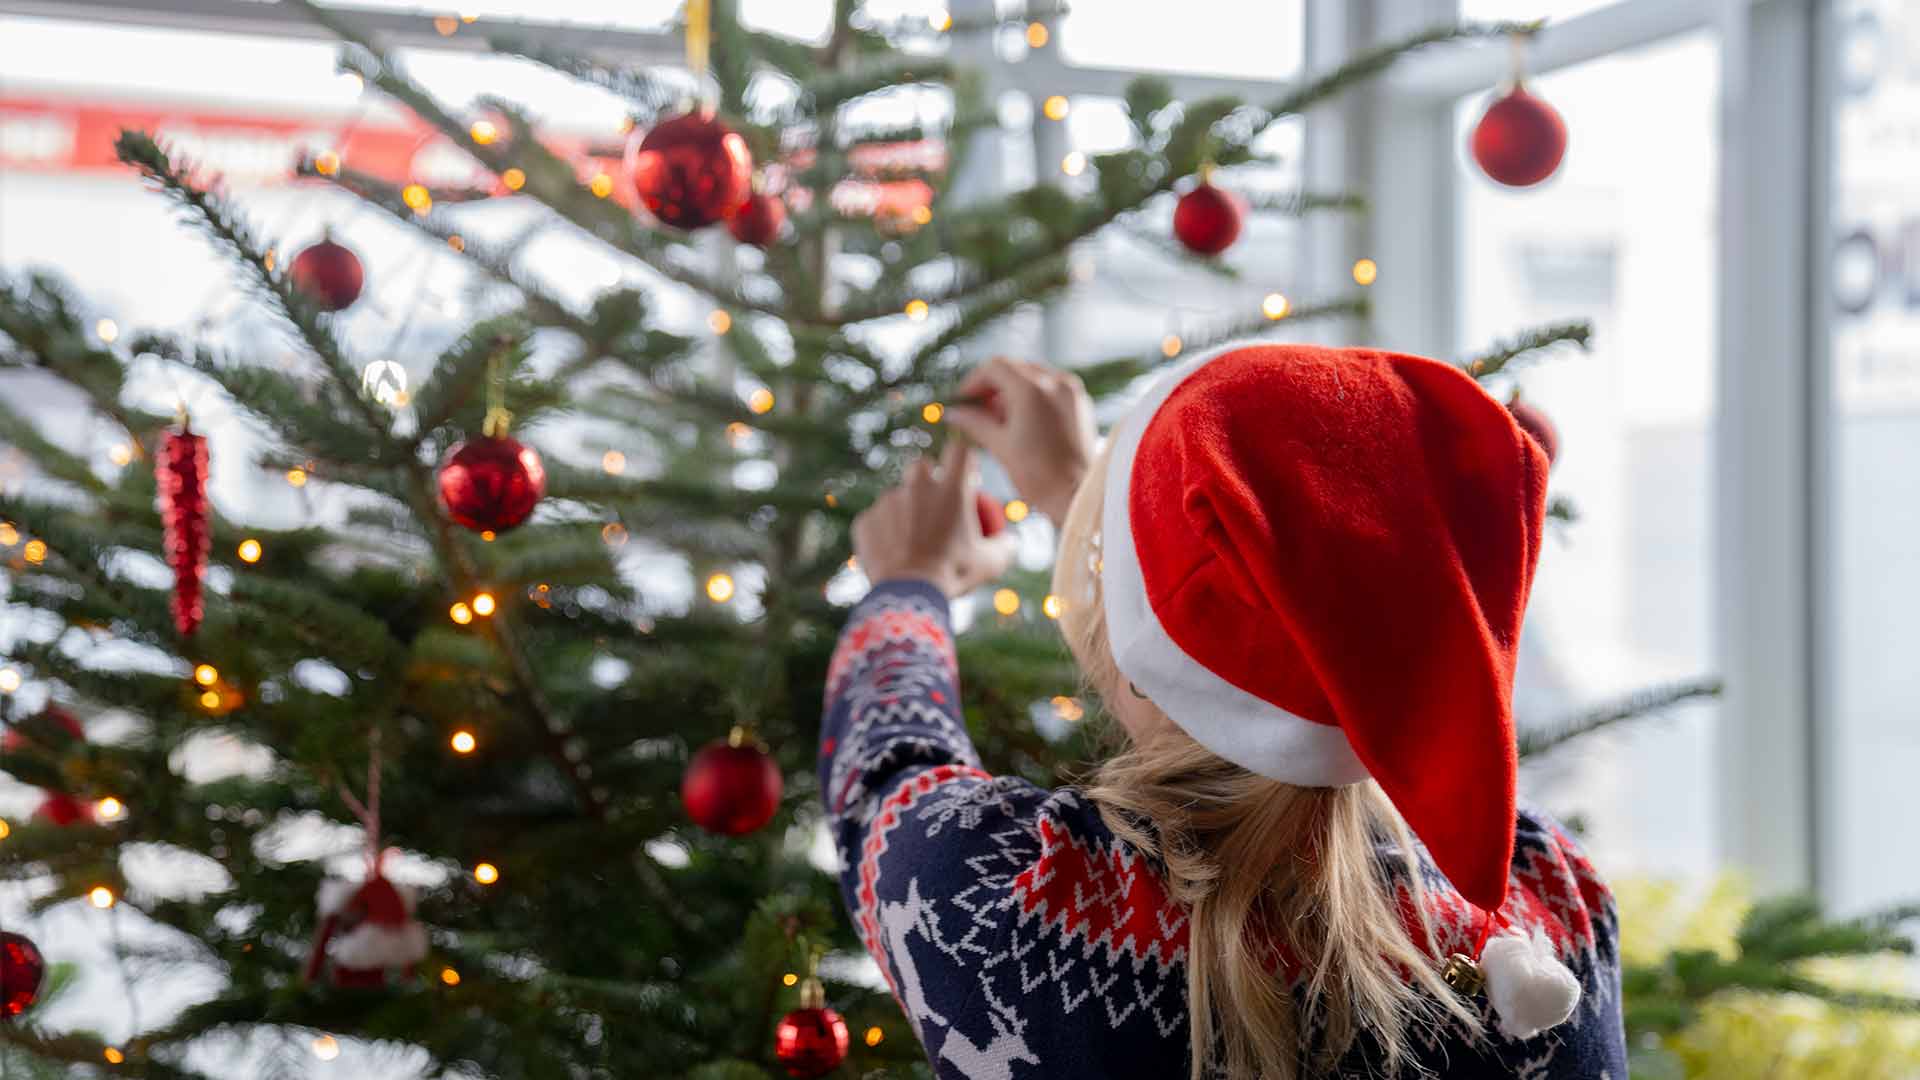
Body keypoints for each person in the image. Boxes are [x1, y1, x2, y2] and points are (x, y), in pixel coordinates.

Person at [821, 345, 1627, 1079]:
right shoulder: (1550, 917)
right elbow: (1274, 665)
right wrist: (1102, 517)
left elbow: (885, 770)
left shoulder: (1007, 906)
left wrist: (911, 578)